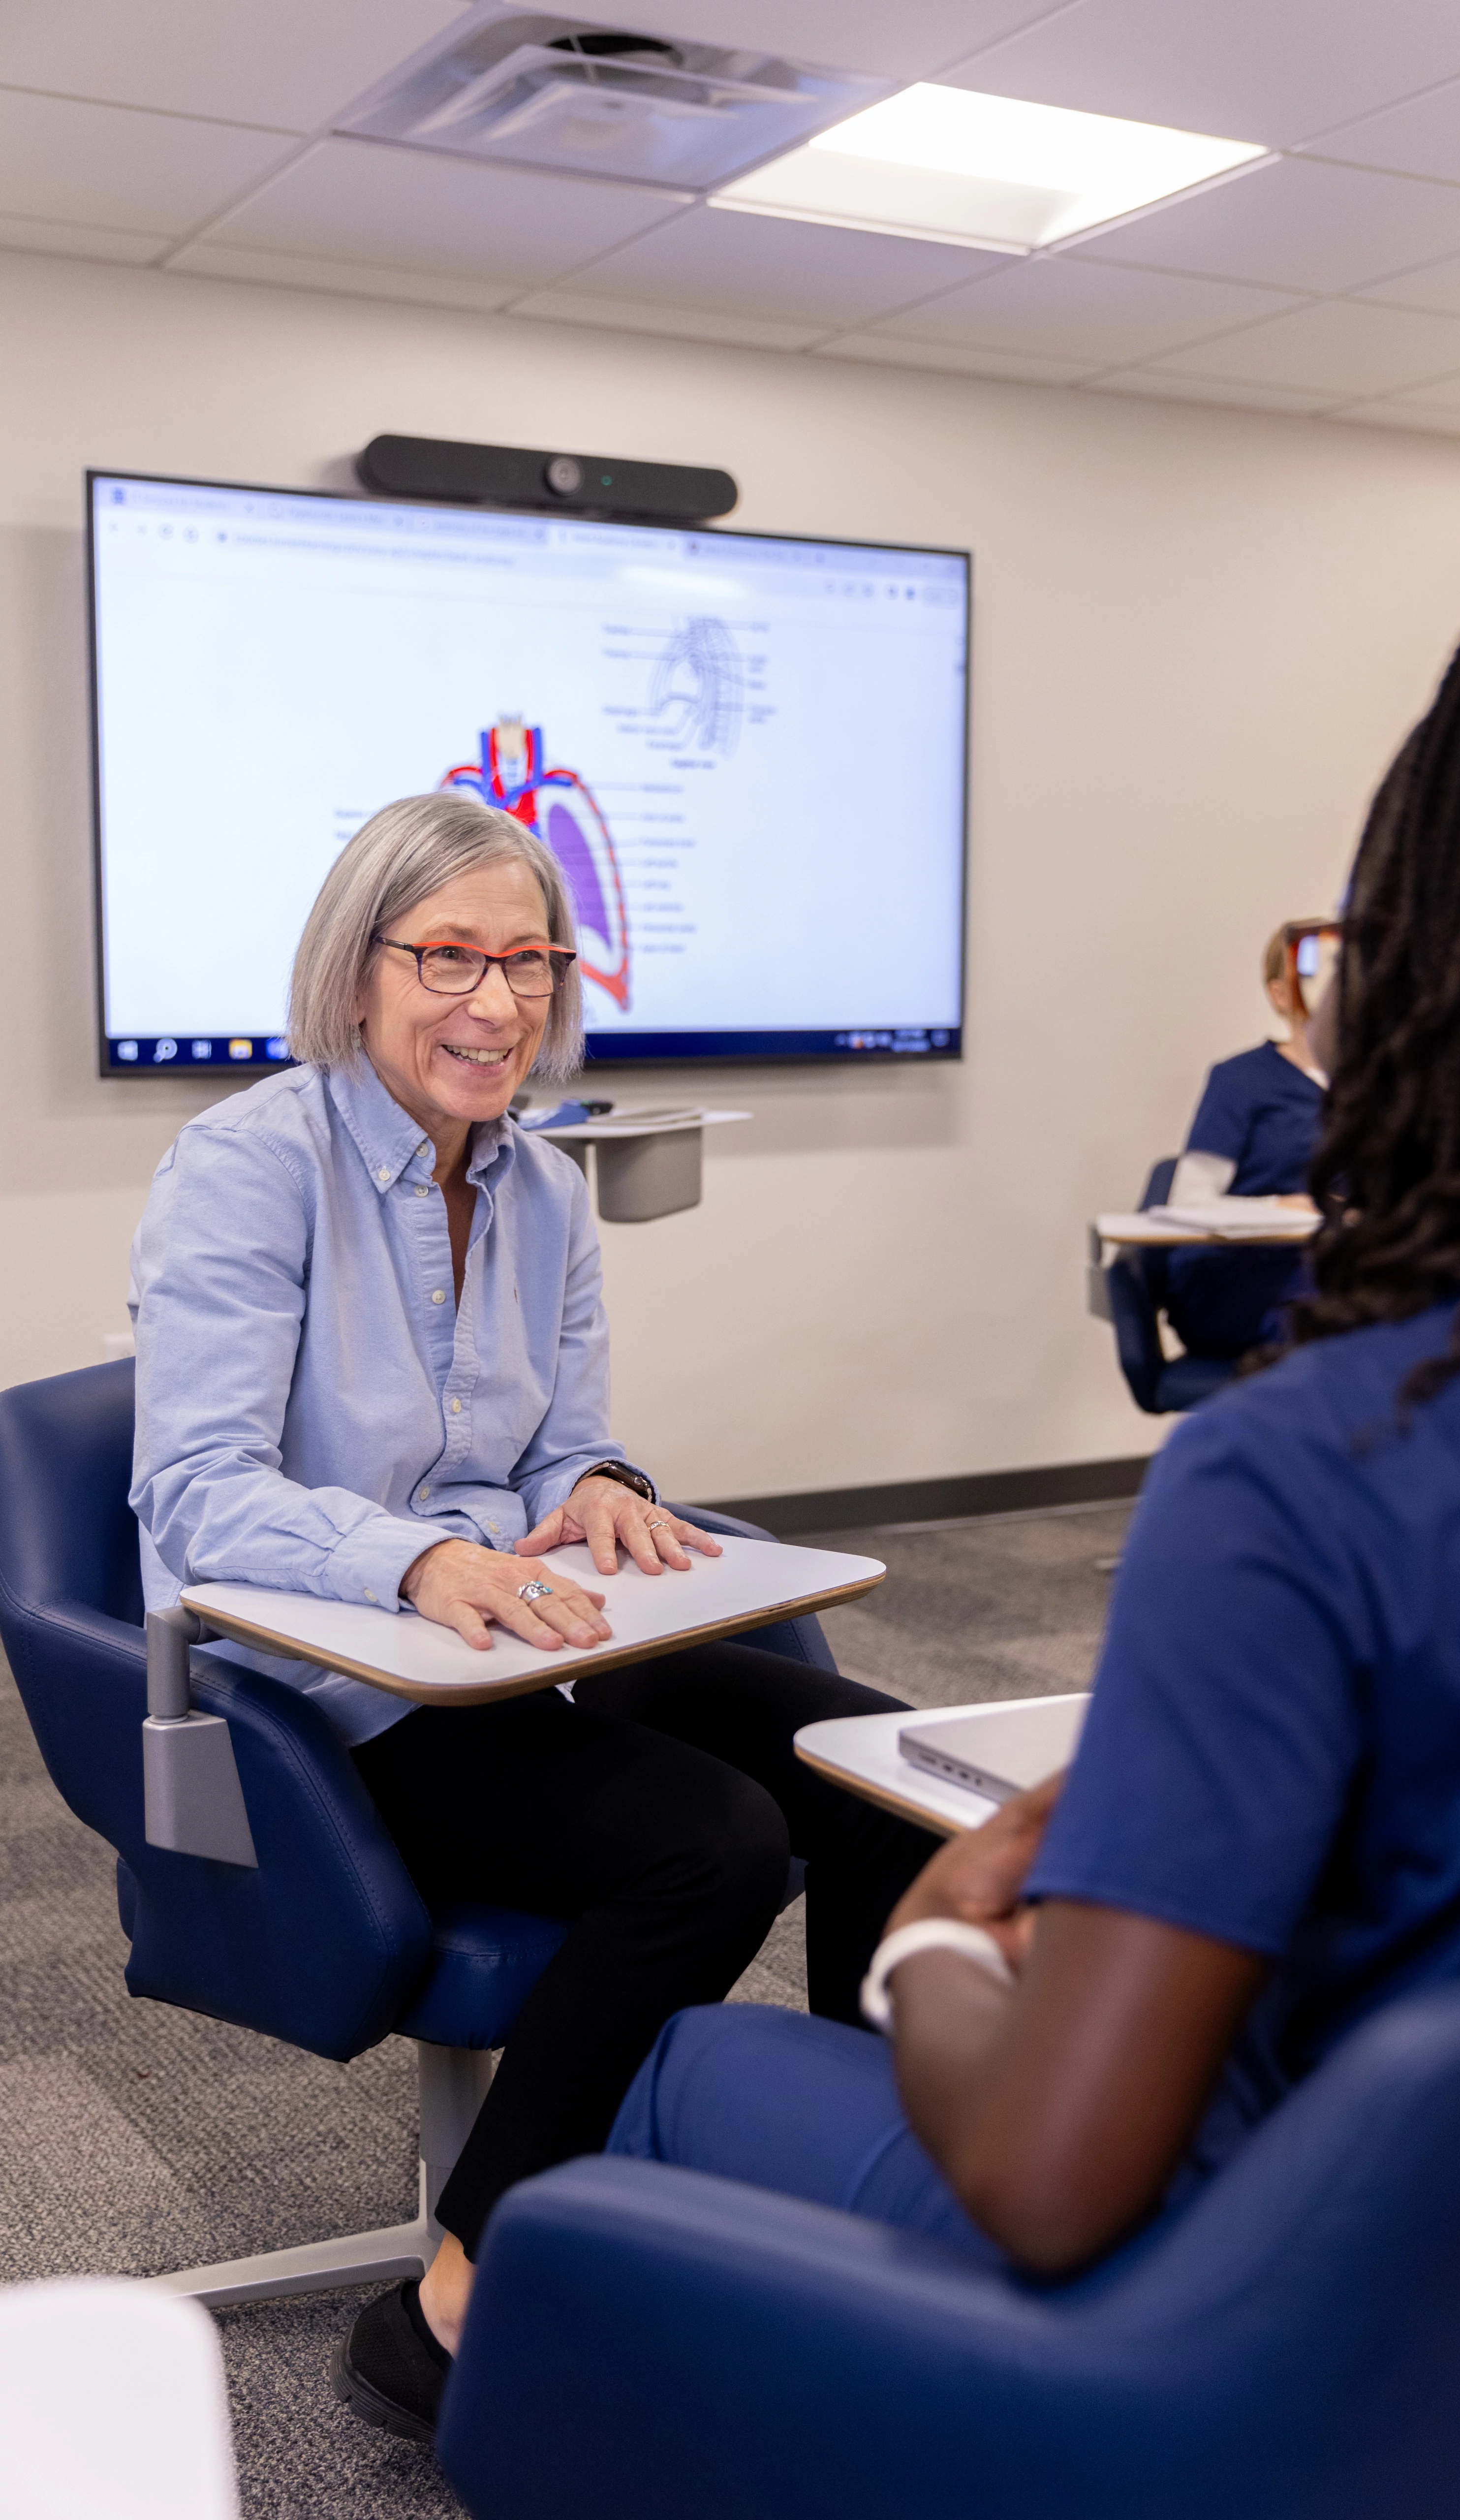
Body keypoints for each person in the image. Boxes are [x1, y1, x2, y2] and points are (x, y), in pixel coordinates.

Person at [604, 549, 1460, 2279]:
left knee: (693, 2069)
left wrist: (937, 1948)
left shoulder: (1305, 1475)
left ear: (1416, 961)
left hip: (1298, 2330)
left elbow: (1053, 2184)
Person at [128, 791, 937, 2435]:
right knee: (700, 1840)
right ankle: (453, 2297)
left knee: (881, 1765)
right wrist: (416, 1561)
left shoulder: (542, 1188)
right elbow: (198, 1496)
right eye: (449, 958)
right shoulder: (245, 1168)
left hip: (524, 1650)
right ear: (356, 970)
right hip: (332, 1691)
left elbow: (560, 1434)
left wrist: (607, 1484)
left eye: (531, 963)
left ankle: (867, 2229)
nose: (496, 1005)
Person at [1162, 923, 1329, 1360]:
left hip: (1330, 1267)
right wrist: (1277, 1207)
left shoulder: (1379, 1089)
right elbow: (1189, 1203)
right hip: (1239, 1276)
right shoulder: (1241, 1081)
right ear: (1280, 994)